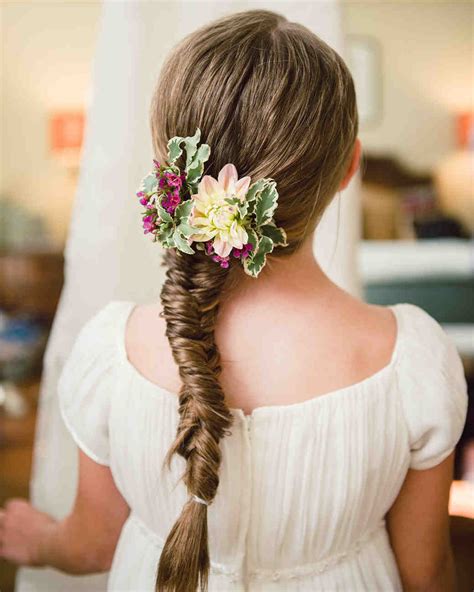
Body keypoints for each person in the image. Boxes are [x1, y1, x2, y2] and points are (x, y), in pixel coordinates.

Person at [0, 8, 468, 592]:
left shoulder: (111, 352)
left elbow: (92, 543)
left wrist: (38, 540)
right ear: (349, 165)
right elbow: (427, 574)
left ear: (169, 172)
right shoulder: (413, 359)